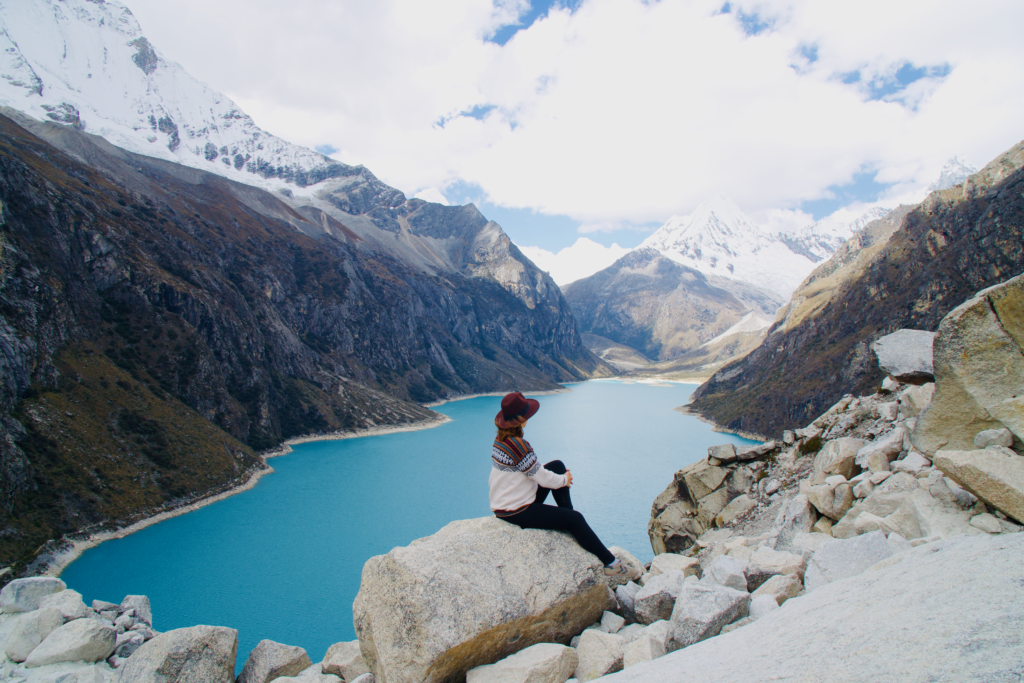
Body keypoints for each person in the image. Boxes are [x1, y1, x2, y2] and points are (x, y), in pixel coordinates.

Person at [488, 391, 641, 579]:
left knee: (557, 466)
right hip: (516, 510)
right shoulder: (520, 445)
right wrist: (564, 480)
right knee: (576, 518)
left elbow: (530, 471)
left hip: (507, 501)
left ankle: (567, 516)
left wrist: (560, 477)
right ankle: (612, 564)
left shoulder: (501, 441)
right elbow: (541, 477)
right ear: (521, 420)